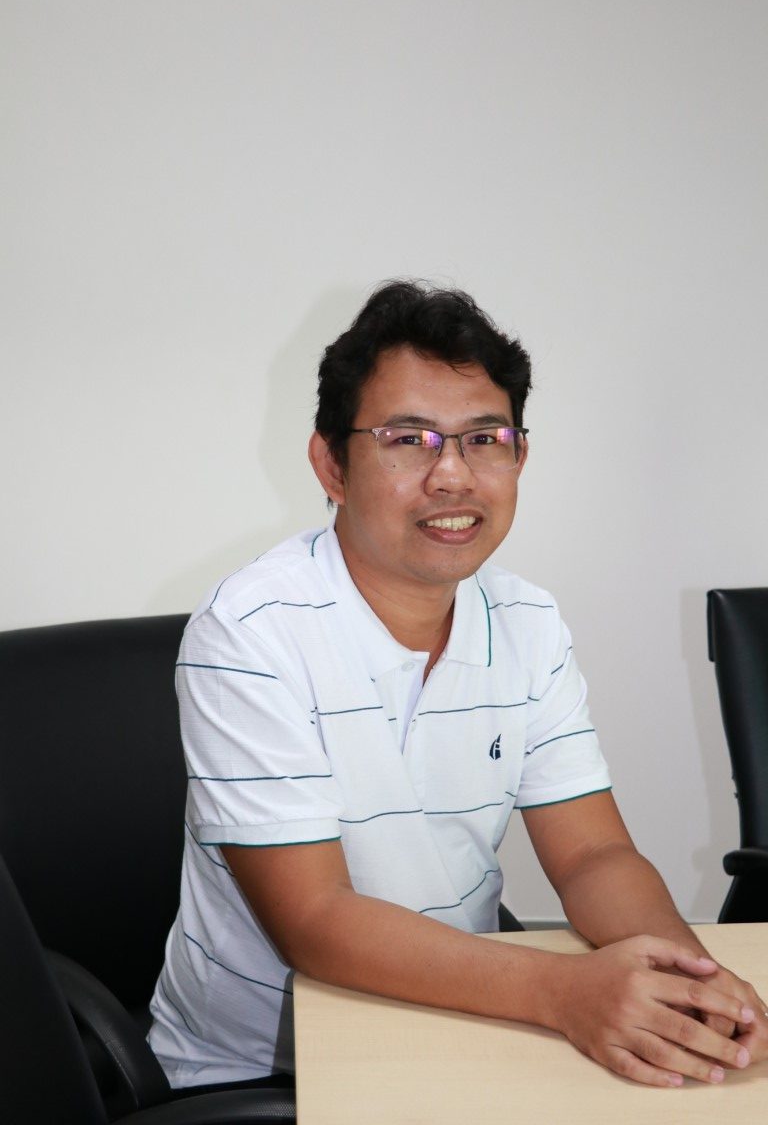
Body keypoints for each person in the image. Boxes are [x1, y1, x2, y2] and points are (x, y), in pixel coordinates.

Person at [149, 280, 767, 1093]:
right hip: (266, 1072)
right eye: (408, 439)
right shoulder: (249, 631)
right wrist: (562, 991)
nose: (452, 476)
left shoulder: (527, 621)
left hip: (461, 1020)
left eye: (484, 439)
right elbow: (316, 920)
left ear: (519, 458)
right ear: (331, 464)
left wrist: (685, 981)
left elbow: (593, 854)